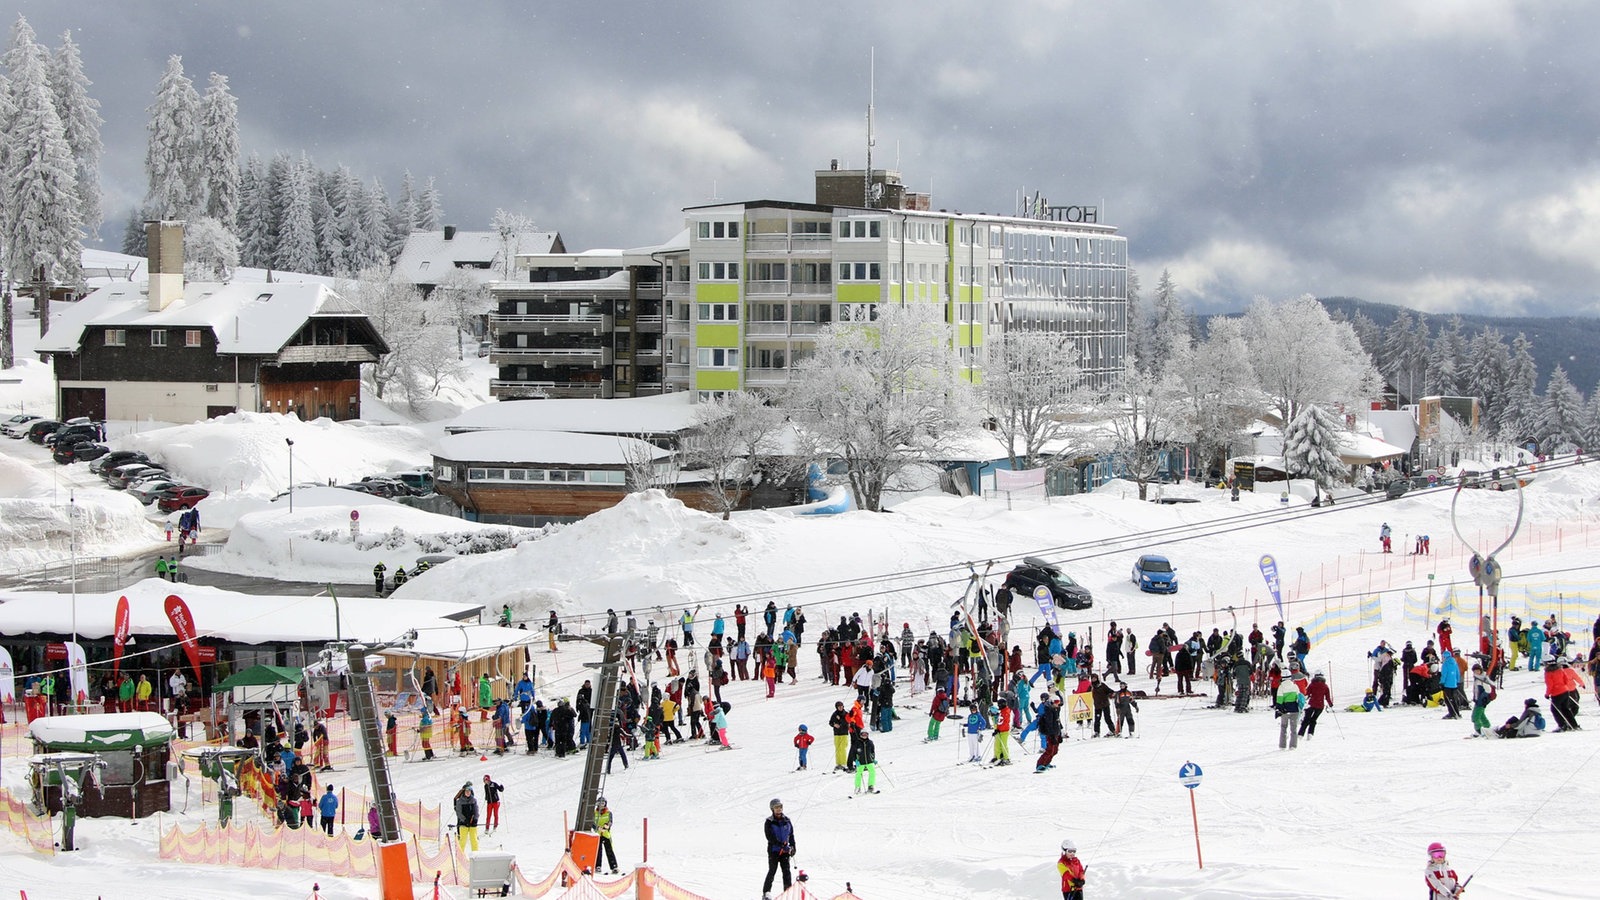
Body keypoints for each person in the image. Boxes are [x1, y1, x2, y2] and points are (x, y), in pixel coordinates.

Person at [762, 798, 796, 900]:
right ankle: (766, 893)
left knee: (786, 871)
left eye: (780, 807)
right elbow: (769, 837)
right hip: (774, 850)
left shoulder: (787, 820)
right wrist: (780, 844)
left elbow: (791, 835)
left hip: (785, 850)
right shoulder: (769, 822)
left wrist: (793, 846)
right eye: (776, 807)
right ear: (772, 809)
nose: (779, 809)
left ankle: (788, 892)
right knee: (772, 870)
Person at [1299, 672, 1332, 738]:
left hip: (1311, 704)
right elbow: (1327, 697)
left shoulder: (1312, 685)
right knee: (1313, 720)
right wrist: (1330, 704)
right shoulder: (1325, 686)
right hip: (1320, 706)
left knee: (1306, 720)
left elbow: (1307, 693)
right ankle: (1310, 734)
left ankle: (1300, 734)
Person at [1276, 671, 1303, 750]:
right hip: (1294, 709)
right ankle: (1293, 746)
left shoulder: (1281, 687)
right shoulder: (1295, 686)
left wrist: (1279, 709)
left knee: (1283, 727)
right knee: (1293, 729)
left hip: (1285, 710)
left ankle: (1282, 745)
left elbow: (1279, 700)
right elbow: (1299, 697)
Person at [453, 782, 480, 852]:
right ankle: (460, 856)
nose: (468, 793)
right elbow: (458, 813)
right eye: (466, 791)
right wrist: (464, 820)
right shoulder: (460, 801)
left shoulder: (474, 800)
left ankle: (476, 855)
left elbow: (476, 811)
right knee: (463, 841)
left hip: (472, 824)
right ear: (464, 792)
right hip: (463, 824)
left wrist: (475, 819)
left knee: (474, 840)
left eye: (469, 791)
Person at [596, 796, 619, 875]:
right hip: (598, 834)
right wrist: (597, 827)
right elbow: (592, 822)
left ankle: (614, 866)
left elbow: (610, 821)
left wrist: (607, 826)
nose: (601, 805)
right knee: (598, 851)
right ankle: (597, 866)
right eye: (599, 803)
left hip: (606, 834)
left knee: (609, 850)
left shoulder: (608, 813)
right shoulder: (595, 813)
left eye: (602, 803)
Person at [829, 701, 851, 770]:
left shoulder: (846, 713)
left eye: (842, 706)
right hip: (836, 733)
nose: (841, 708)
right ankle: (838, 763)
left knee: (843, 748)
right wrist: (834, 725)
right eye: (839, 707)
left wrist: (840, 719)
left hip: (844, 733)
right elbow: (830, 722)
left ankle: (844, 763)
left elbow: (847, 722)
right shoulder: (834, 714)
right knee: (837, 749)